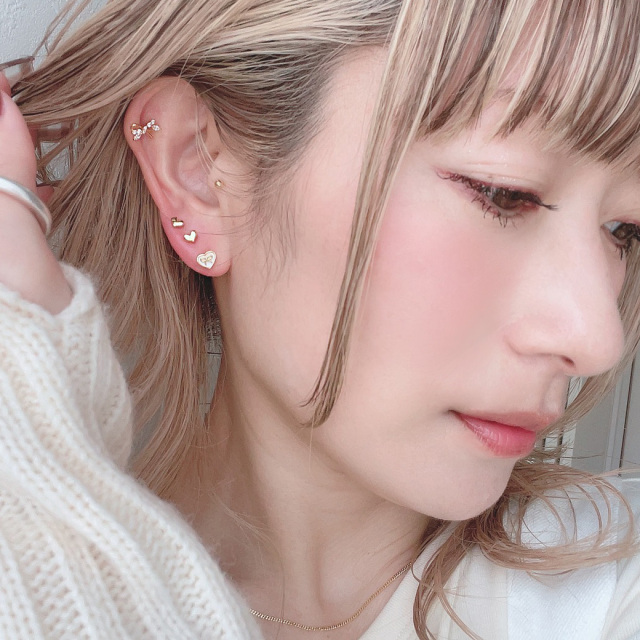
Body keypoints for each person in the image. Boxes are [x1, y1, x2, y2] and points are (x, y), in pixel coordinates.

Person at [1, 0, 640, 638]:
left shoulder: (611, 588)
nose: (597, 338)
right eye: (503, 193)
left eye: (624, 231)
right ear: (198, 170)